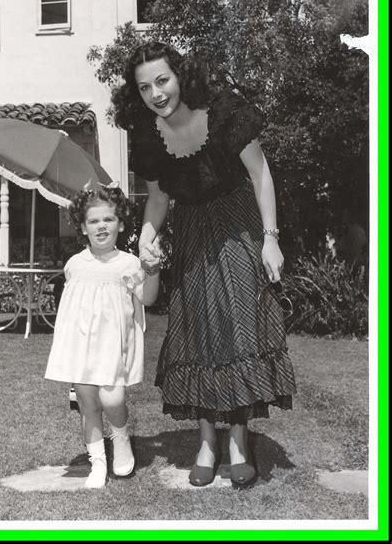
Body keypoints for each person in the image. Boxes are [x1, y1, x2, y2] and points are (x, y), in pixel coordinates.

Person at [111, 41, 297, 488]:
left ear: (180, 76)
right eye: (144, 88)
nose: (156, 93)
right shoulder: (147, 136)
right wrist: (146, 239)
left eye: (162, 80)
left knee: (239, 325)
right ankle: (207, 443)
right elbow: (158, 199)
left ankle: (237, 442)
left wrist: (270, 240)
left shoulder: (225, 112)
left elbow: (261, 174)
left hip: (237, 224)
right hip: (192, 228)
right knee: (198, 330)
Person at [45, 183, 160, 488]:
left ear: (120, 223)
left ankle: (120, 437)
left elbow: (147, 299)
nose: (101, 227)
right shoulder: (75, 266)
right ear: (83, 227)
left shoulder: (129, 263)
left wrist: (153, 270)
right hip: (82, 344)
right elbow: (72, 311)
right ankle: (98, 462)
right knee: (87, 401)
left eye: (108, 220)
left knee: (113, 397)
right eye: (93, 221)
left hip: (114, 344)